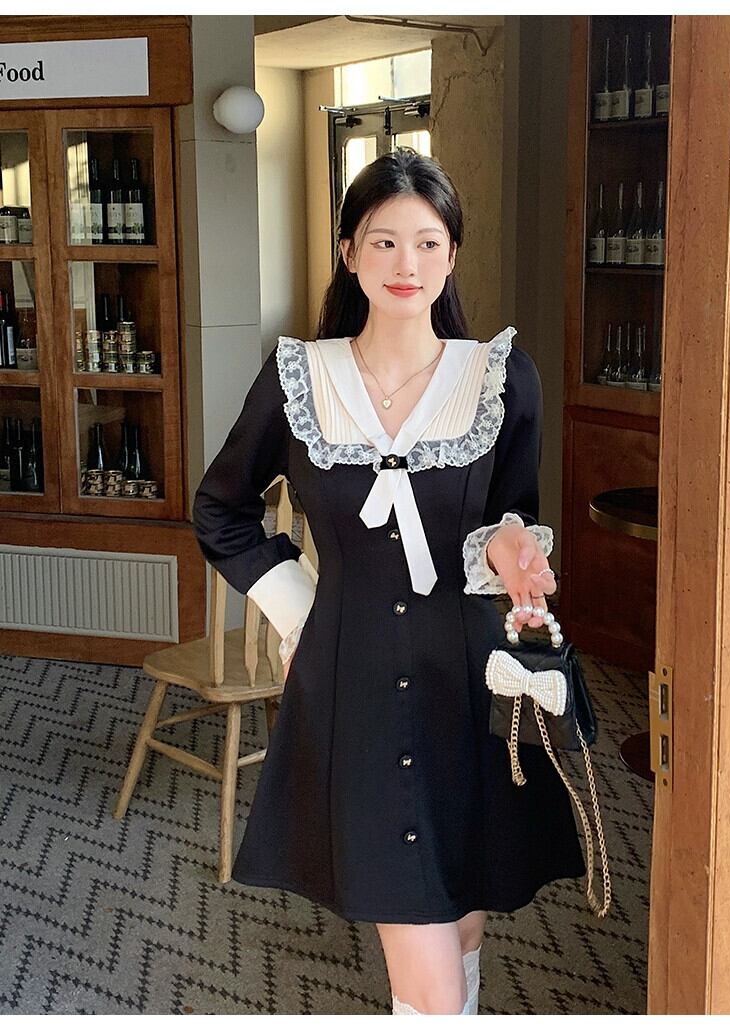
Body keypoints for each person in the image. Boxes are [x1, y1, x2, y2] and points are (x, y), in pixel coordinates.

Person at [191, 147, 586, 1015]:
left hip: (470, 678)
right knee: (429, 974)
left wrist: (510, 548)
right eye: (383, 241)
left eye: (427, 242)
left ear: (452, 255)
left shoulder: (500, 379)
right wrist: (301, 612)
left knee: (464, 922)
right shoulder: (301, 380)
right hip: (354, 684)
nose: (407, 263)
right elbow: (220, 510)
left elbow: (508, 513)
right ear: (349, 252)